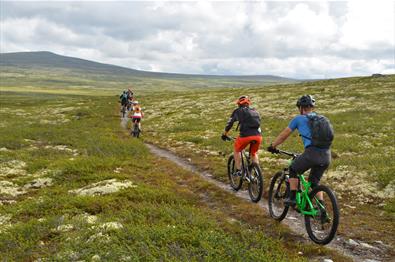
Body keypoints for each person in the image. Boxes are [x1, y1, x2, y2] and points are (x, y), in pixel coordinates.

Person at [268, 95, 333, 206]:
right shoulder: (322, 119)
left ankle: (292, 197)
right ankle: (321, 208)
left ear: (301, 108)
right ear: (312, 107)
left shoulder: (298, 119)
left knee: (293, 169)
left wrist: (273, 146)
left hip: (311, 154)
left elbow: (284, 135)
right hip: (326, 154)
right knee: (314, 183)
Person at [221, 96, 262, 176]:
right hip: (258, 136)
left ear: (239, 104)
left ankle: (239, 170)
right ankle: (256, 173)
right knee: (254, 153)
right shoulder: (255, 111)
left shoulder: (238, 111)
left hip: (245, 136)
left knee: (237, 150)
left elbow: (230, 123)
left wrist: (225, 134)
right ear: (248, 103)